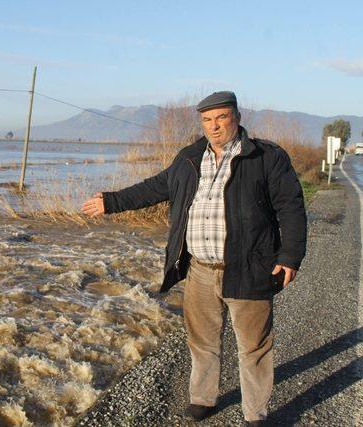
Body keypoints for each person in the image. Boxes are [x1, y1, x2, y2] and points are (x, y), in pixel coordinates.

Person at [81, 91, 307, 426]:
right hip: (200, 268)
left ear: (237, 117)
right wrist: (111, 202)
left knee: (254, 347)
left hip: (249, 267)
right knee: (201, 342)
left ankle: (255, 414)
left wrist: (289, 256)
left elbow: (291, 207)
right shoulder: (190, 156)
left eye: (221, 118)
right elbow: (156, 187)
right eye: (207, 120)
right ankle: (204, 399)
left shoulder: (266, 157)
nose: (214, 127)